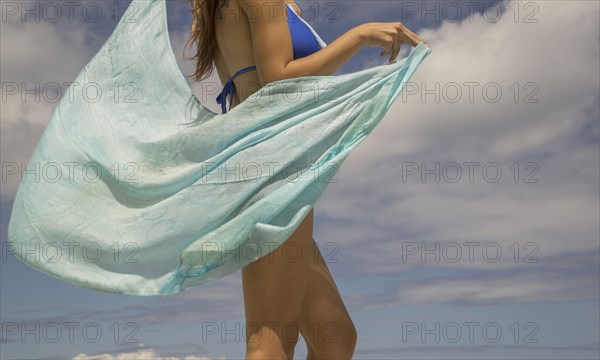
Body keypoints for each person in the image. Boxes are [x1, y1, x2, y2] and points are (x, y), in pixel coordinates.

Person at [180, 0, 429, 358]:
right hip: (270, 166)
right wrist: (360, 35)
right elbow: (278, 78)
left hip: (264, 164)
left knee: (336, 338)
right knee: (272, 335)